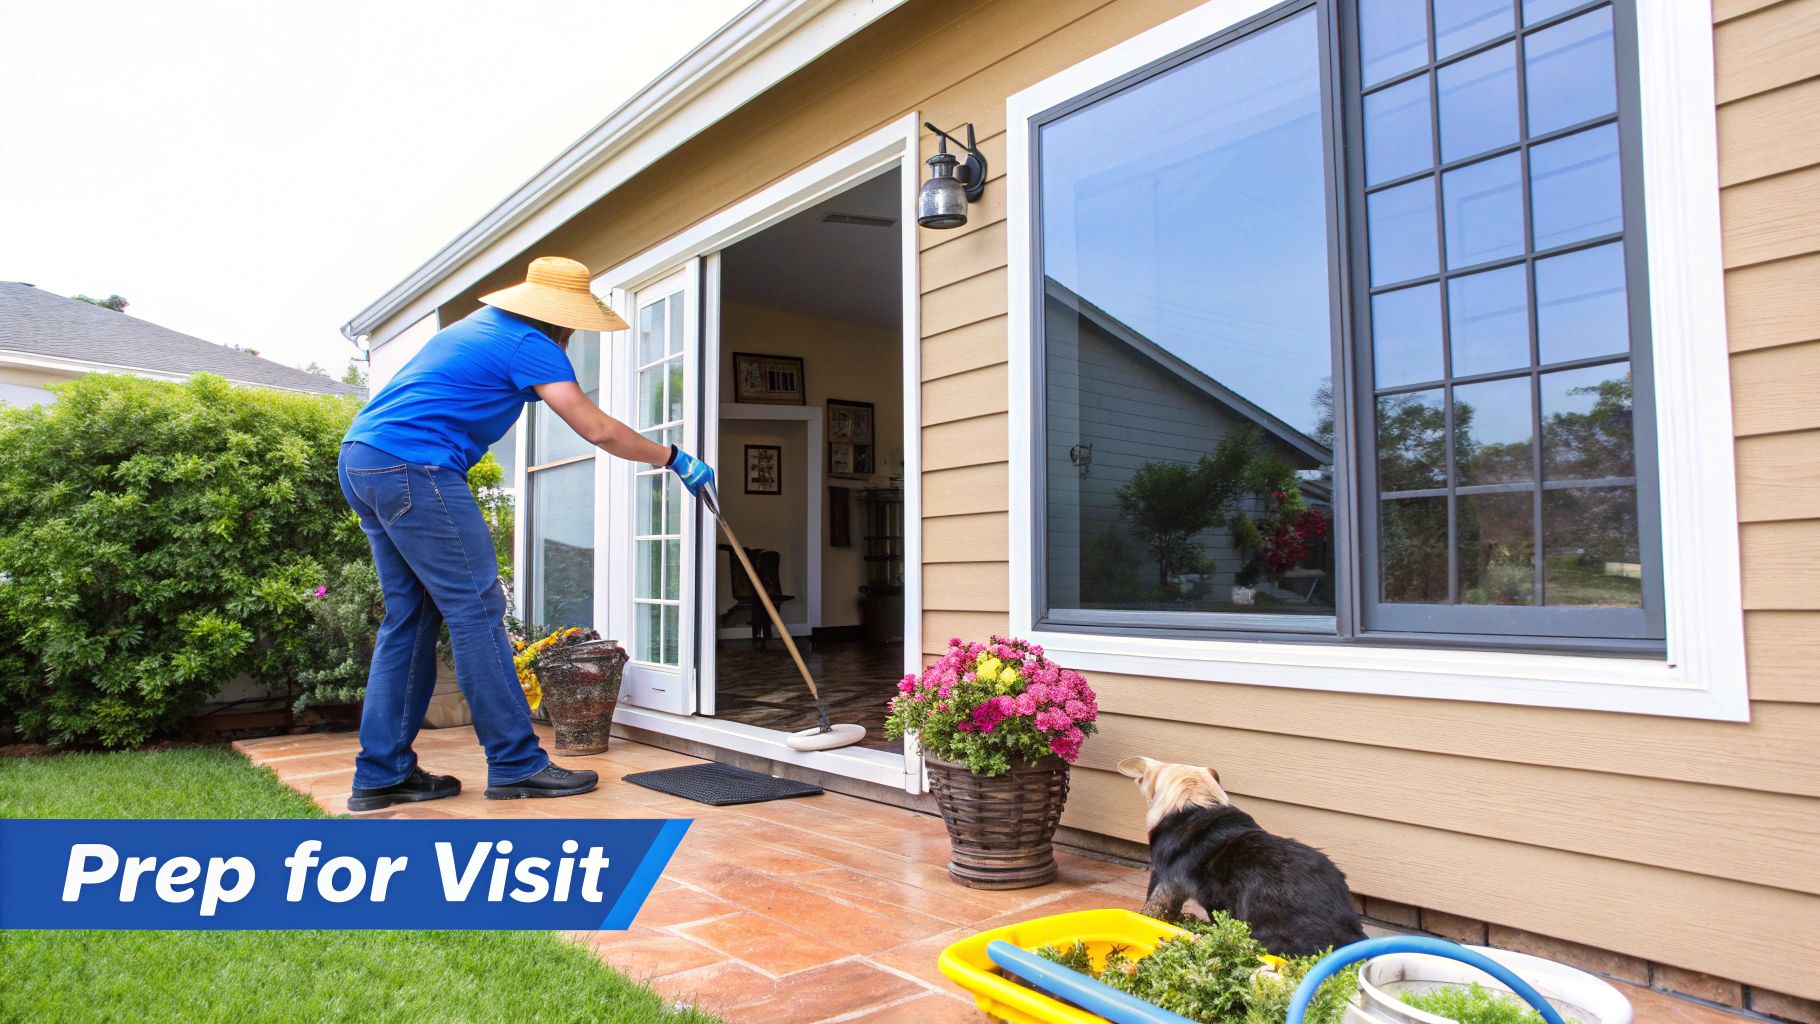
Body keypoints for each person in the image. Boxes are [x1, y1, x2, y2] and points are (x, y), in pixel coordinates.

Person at [337, 256, 715, 811]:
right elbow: (597, 428)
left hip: (364, 460)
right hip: (415, 466)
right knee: (476, 612)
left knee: (410, 619)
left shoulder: (475, 328)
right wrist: (675, 458)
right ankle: (516, 764)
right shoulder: (531, 344)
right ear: (560, 316)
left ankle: (383, 774)